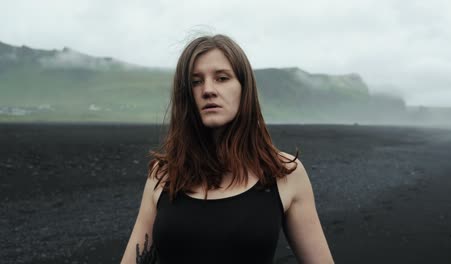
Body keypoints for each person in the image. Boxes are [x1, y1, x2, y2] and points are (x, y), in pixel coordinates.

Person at [121, 34, 334, 264]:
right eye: (195, 81)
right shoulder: (163, 175)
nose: (208, 90)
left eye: (222, 78)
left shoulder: (283, 173)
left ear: (245, 89)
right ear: (186, 96)